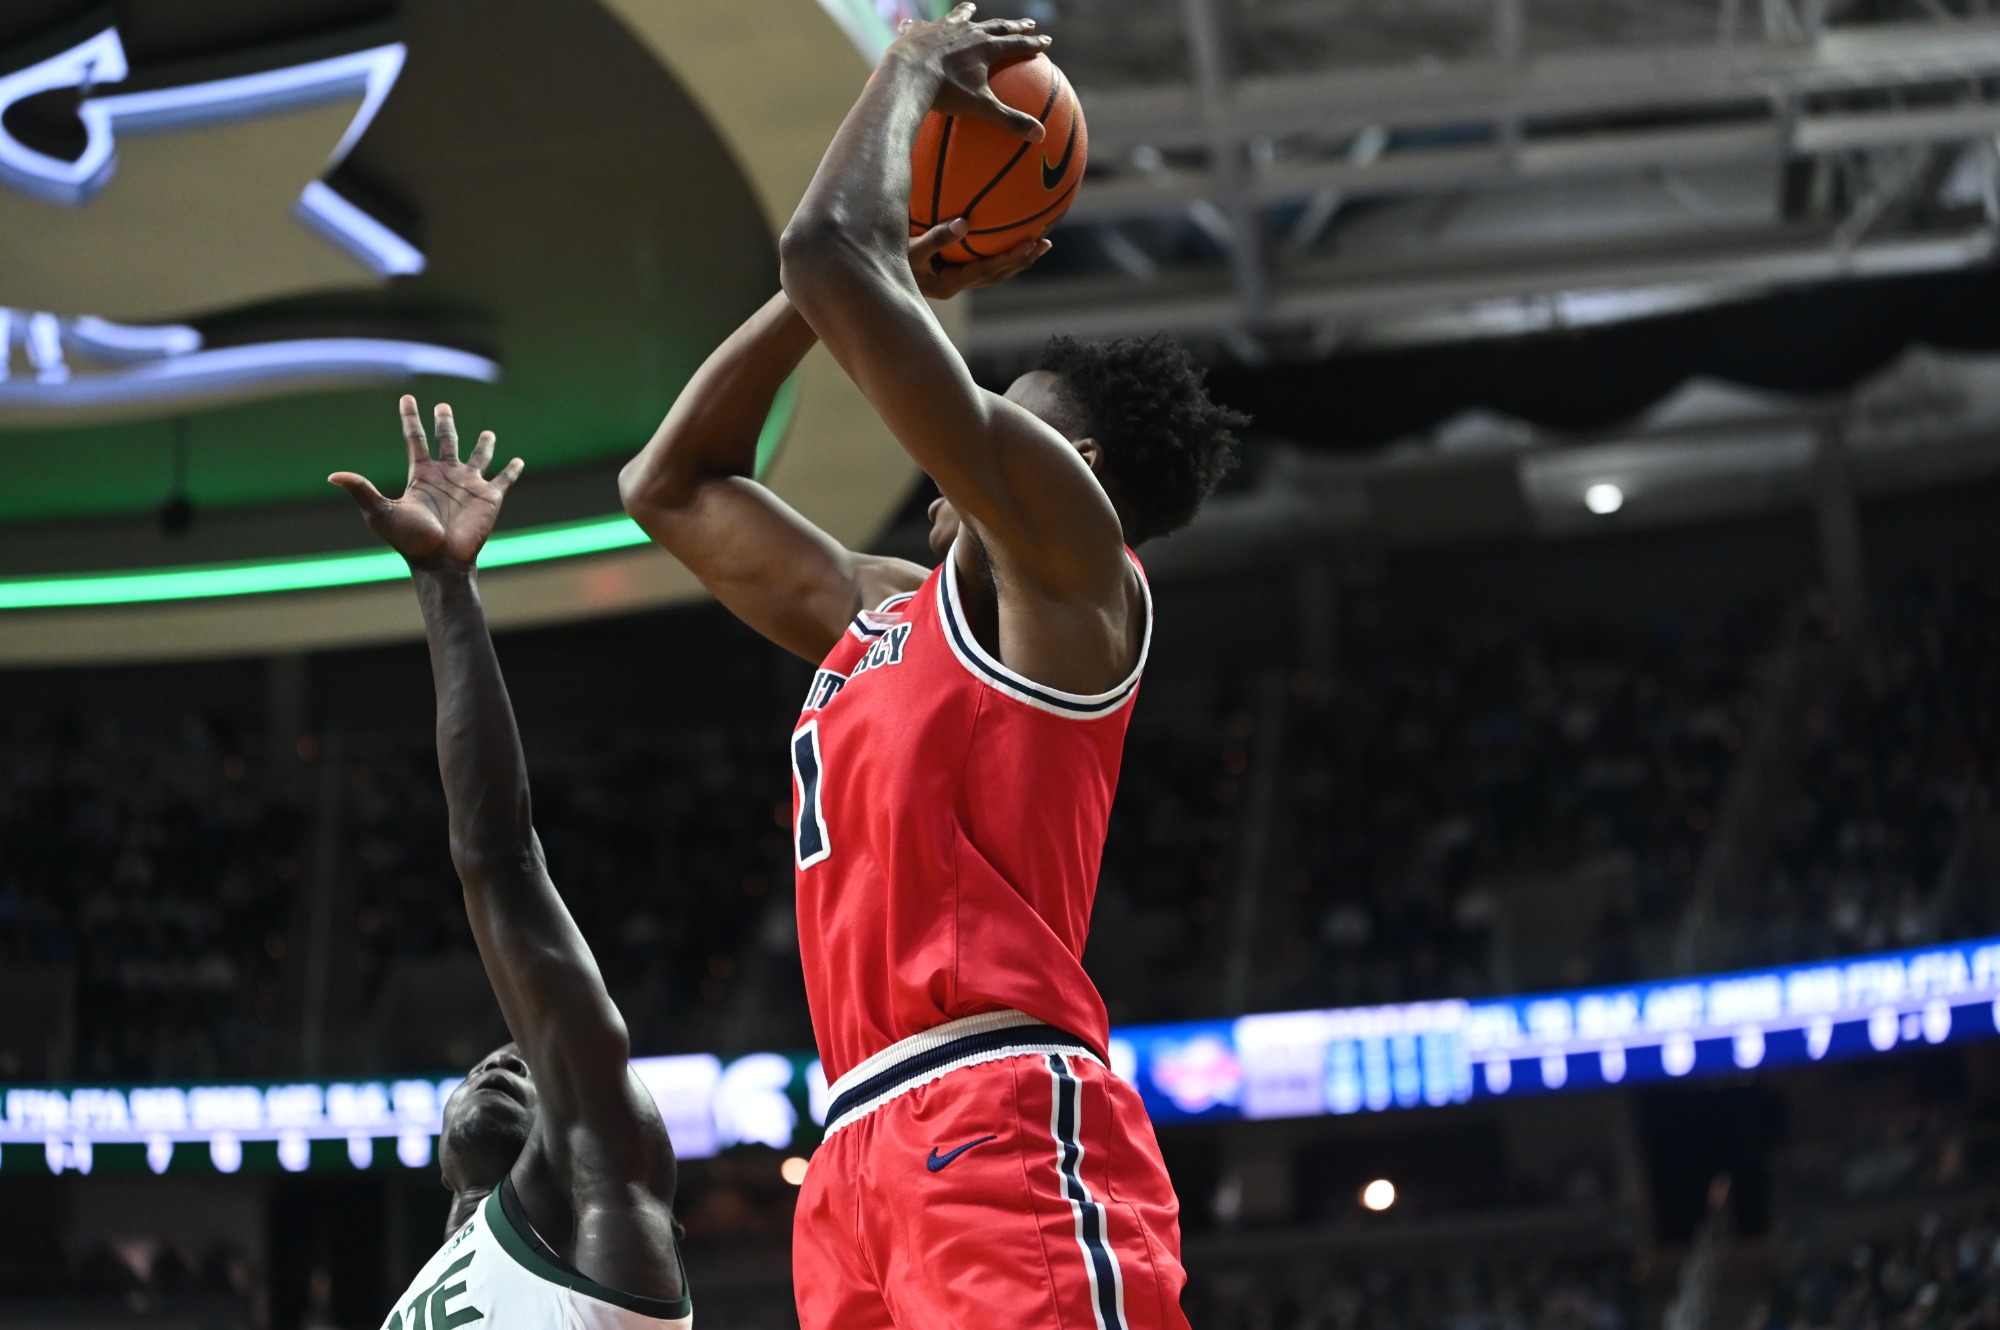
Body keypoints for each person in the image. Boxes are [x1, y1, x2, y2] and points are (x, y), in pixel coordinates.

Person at [618, 7, 1246, 1326]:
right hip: (852, 1148)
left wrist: (903, 83)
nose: (964, 444)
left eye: (1004, 430)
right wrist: (845, 277)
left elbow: (825, 248)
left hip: (1003, 1106)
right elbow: (670, 485)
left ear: (1078, 483)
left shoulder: (1077, 586)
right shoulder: (886, 613)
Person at [332, 399, 691, 1330]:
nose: (504, 1056)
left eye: (532, 1066)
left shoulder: (599, 1194)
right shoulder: (414, 1302)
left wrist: (444, 587)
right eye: (501, 1061)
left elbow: (499, 859)